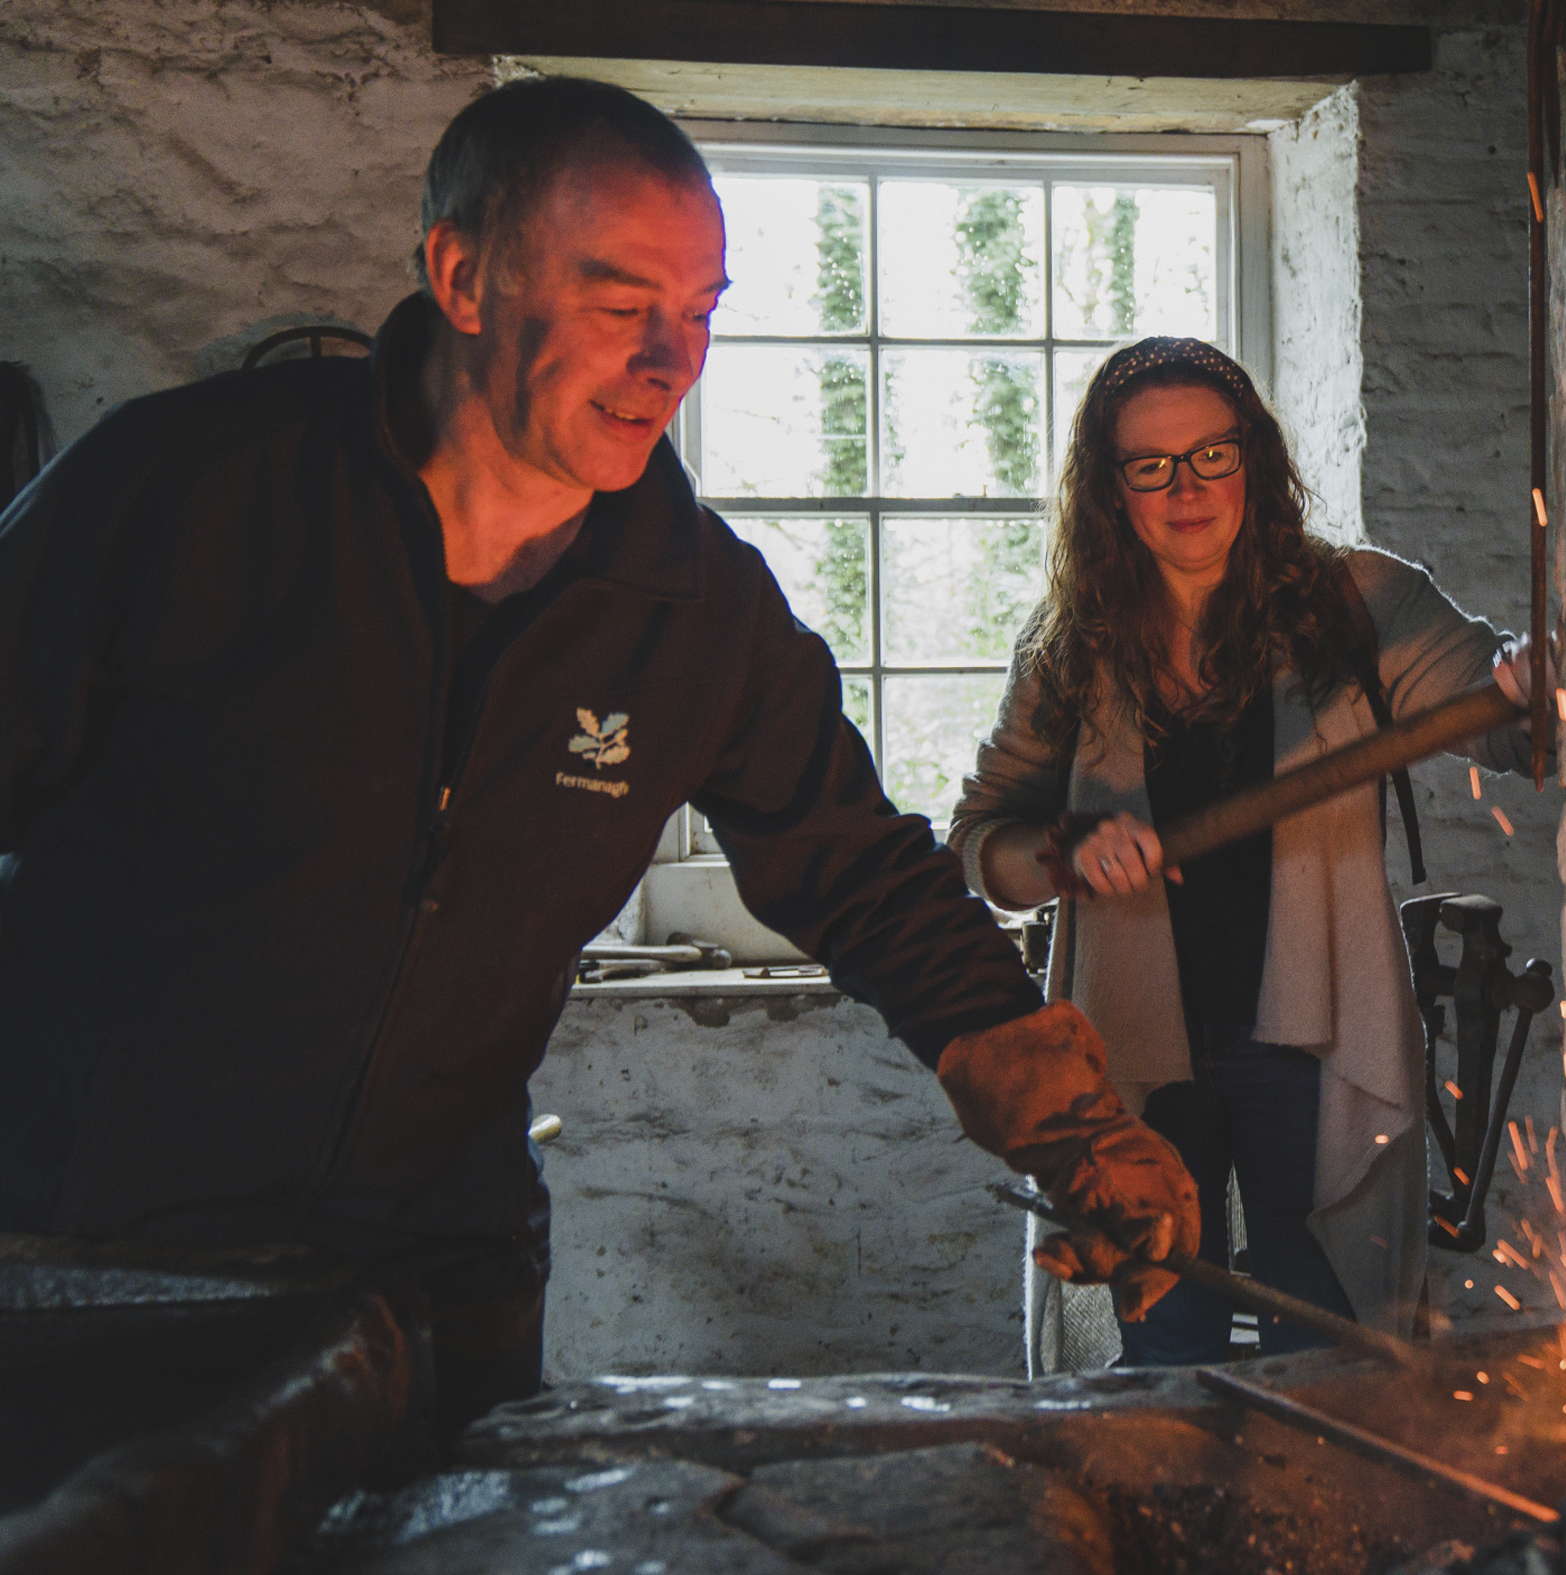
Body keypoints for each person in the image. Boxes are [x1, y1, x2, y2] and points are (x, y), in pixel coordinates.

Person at [0, 77, 1197, 1435]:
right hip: (97, 1257)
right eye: (623, 303)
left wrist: (1076, 1128)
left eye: (700, 313)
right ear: (462, 274)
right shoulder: (186, 494)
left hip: (433, 1268)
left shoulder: (695, 606)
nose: (671, 360)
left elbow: (869, 879)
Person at [951, 336, 1544, 1364]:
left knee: (1322, 1335)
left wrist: (1537, 680)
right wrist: (1059, 854)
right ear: (1111, 488)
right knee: (1158, 1334)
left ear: (1253, 459)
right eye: (1151, 465)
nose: (1187, 488)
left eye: (1211, 456)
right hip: (1133, 1047)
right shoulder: (1073, 645)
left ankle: (1312, 1523)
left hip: (1313, 1043)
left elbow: (1507, 724)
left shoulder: (1359, 605)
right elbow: (978, 846)